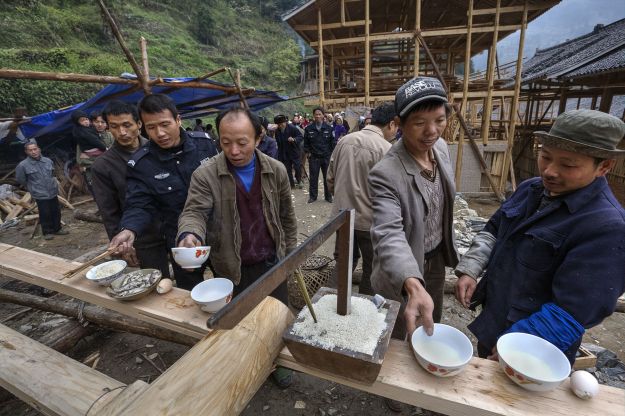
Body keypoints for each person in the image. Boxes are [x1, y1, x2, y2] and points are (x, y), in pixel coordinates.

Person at [454, 109, 625, 365]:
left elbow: (574, 310)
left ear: (604, 166)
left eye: (568, 165)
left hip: (538, 345)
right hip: (497, 318)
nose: (550, 171)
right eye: (545, 157)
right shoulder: (530, 189)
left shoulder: (606, 226)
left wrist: (519, 346)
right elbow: (494, 228)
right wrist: (470, 268)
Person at [176, 107, 297, 388]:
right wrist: (189, 233)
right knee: (239, 321)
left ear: (258, 138)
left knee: (276, 316)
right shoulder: (206, 174)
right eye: (225, 142)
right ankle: (247, 366)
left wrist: (290, 254)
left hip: (271, 260)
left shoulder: (275, 170)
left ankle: (278, 361)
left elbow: (287, 216)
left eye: (242, 142)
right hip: (231, 264)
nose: (233, 150)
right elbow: (194, 210)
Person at [369, 77, 458, 340]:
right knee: (398, 332)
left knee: (431, 324)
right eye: (419, 122)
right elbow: (388, 232)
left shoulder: (440, 149)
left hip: (436, 261)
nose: (432, 131)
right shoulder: (386, 173)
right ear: (399, 124)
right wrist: (411, 281)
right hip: (403, 269)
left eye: (439, 120)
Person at [109, 94, 218, 290]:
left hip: (218, 234)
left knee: (231, 284)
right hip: (181, 242)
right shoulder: (141, 164)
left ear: (178, 120)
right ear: (143, 126)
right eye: (151, 127)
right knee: (188, 293)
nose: (159, 133)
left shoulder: (205, 146)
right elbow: (139, 204)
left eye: (165, 124)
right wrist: (129, 229)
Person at [91, 100, 170, 278]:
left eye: (127, 125)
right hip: (142, 236)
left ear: (139, 124)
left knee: (188, 280)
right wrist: (123, 245)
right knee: (156, 281)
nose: (122, 132)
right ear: (108, 128)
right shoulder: (103, 166)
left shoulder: (159, 150)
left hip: (173, 228)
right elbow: (109, 211)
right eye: (114, 126)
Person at [326, 102, 398, 295]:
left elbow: (330, 178)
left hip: (342, 217)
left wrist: (341, 197)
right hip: (369, 221)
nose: (396, 133)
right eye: (397, 127)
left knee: (343, 262)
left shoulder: (344, 141)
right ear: (391, 124)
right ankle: (365, 307)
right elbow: (390, 193)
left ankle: (332, 303)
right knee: (371, 268)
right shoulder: (387, 149)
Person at [15, 141, 68, 240]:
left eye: (35, 149)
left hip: (52, 191)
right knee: (45, 213)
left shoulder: (47, 161)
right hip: (39, 193)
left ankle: (58, 229)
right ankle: (47, 232)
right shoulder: (23, 165)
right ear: (26, 152)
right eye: (30, 150)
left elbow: (52, 173)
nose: (33, 152)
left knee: (56, 211)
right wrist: (32, 187)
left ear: (39, 149)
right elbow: (21, 179)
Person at [304, 107, 335, 203]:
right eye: (316, 114)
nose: (317, 116)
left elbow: (332, 143)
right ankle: (313, 197)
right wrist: (308, 153)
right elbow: (306, 143)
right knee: (313, 178)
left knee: (327, 178)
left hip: (326, 157)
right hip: (314, 157)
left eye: (319, 114)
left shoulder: (329, 128)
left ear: (323, 115)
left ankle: (328, 196)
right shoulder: (308, 129)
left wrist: (332, 156)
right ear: (313, 116)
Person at [72, 109, 107, 193]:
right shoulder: (82, 140)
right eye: (96, 122)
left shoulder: (111, 135)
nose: (100, 124)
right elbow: (82, 160)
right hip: (95, 177)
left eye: (102, 122)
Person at [274, 114, 303, 188]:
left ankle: (299, 180)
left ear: (285, 122)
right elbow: (279, 144)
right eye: (279, 124)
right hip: (284, 153)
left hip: (294, 151)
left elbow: (300, 136)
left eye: (282, 123)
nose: (281, 126)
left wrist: (294, 139)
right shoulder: (277, 131)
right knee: (287, 169)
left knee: (297, 167)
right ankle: (291, 184)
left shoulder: (292, 128)